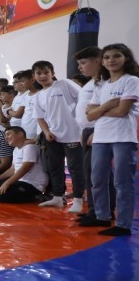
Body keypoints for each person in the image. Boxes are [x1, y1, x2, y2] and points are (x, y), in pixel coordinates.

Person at [83, 44, 139, 236]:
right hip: (101, 137)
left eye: (116, 56)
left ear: (126, 58)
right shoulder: (101, 85)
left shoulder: (131, 80)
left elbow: (122, 111)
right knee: (97, 179)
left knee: (122, 182)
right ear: (102, 62)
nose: (111, 60)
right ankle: (102, 216)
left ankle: (123, 224)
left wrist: (98, 111)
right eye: (107, 57)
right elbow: (89, 116)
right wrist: (106, 106)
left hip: (123, 137)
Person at [31, 60, 84, 210]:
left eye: (46, 72)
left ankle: (79, 199)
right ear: (34, 76)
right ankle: (58, 197)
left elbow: (84, 98)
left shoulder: (63, 84)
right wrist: (47, 132)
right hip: (53, 136)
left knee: (75, 168)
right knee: (54, 167)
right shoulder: (38, 96)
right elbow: (39, 117)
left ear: (53, 73)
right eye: (39, 73)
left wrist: (84, 126)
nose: (43, 76)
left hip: (73, 135)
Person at [74, 46, 115, 220]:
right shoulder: (91, 83)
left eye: (83, 63)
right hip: (87, 131)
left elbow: (107, 111)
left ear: (97, 61)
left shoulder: (106, 83)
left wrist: (97, 132)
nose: (80, 67)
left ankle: (100, 212)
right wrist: (81, 131)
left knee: (98, 175)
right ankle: (95, 209)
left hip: (97, 131)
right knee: (91, 173)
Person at [0, 126, 48, 203]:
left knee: (2, 195)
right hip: (19, 181)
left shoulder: (30, 147)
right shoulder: (16, 149)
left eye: (8, 134)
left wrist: (6, 183)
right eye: (5, 136)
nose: (6, 138)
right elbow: (12, 169)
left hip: (33, 184)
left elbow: (25, 168)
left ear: (20, 134)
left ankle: (36, 195)